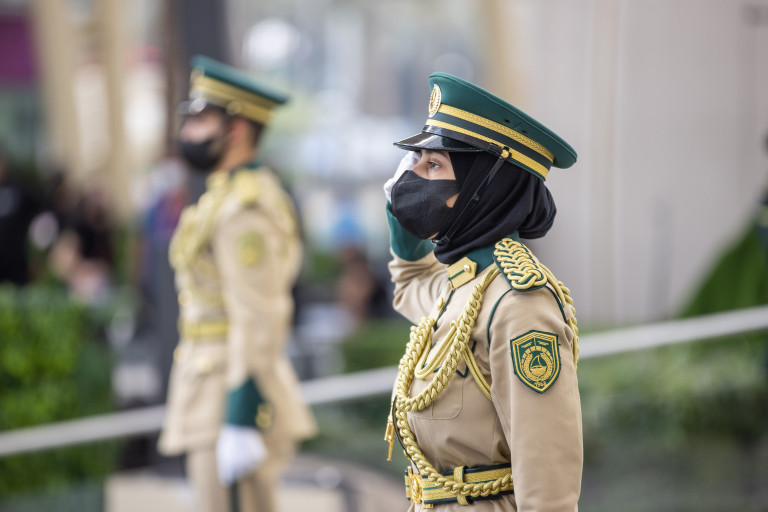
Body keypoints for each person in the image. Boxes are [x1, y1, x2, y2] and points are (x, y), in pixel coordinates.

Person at [383, 73, 583, 510]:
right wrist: (400, 221)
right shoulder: (464, 283)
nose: (413, 176)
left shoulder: (520, 303)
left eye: (433, 165)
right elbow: (411, 284)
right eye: (416, 161)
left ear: (482, 189)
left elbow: (548, 479)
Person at [157, 56, 316, 512]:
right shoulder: (223, 195)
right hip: (211, 384)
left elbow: (260, 313)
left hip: (229, 390)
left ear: (239, 129)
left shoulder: (245, 209)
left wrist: (241, 417)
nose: (188, 132)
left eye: (201, 120)